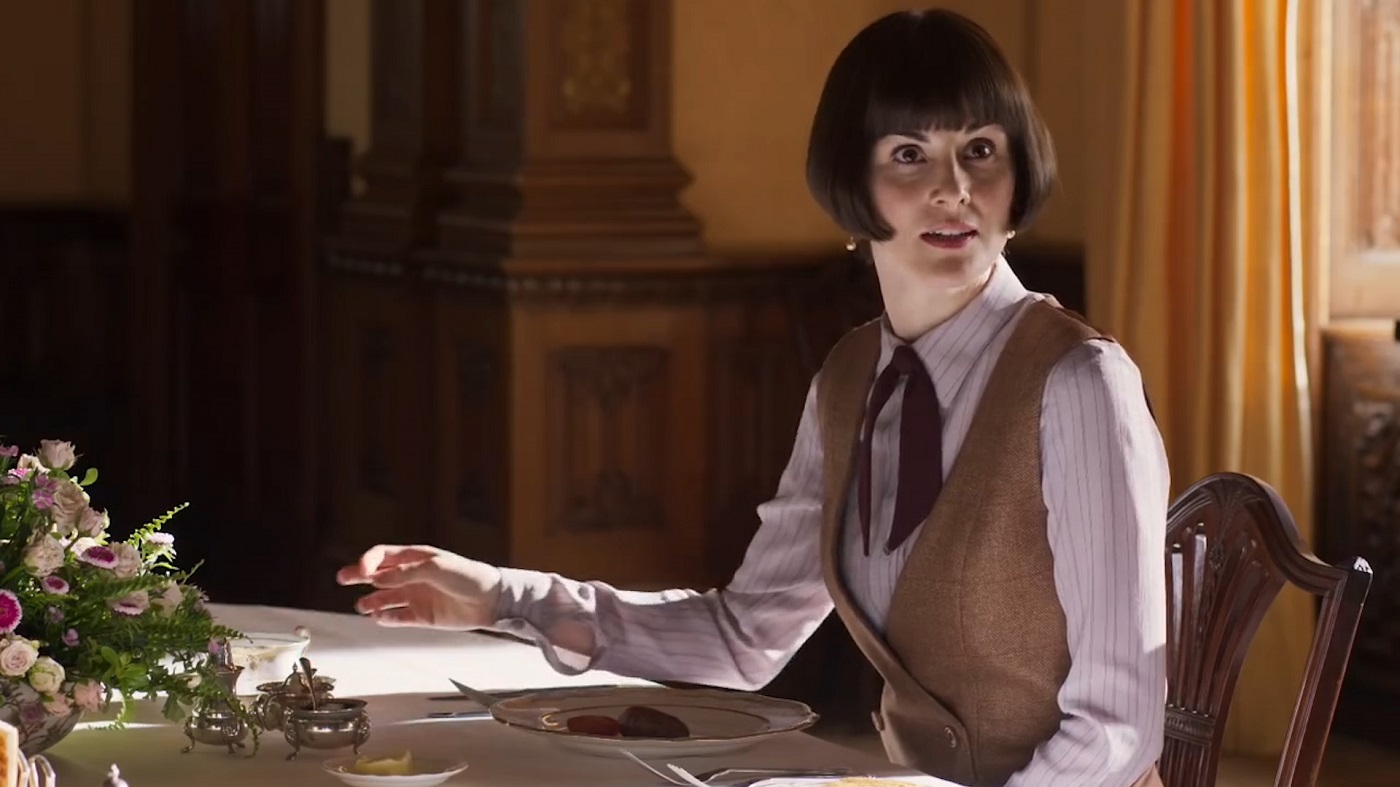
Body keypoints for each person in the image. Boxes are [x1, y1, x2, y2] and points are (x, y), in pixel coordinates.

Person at [336, 9, 1169, 787]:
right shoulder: (849, 381)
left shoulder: (1081, 383)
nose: (955, 188)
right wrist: (503, 598)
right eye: (910, 154)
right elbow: (744, 638)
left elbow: (1119, 728)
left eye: (981, 149)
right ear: (851, 184)